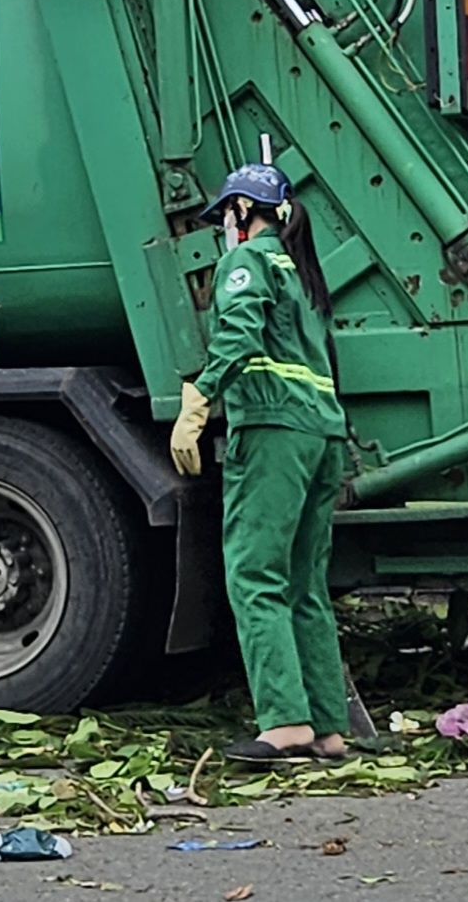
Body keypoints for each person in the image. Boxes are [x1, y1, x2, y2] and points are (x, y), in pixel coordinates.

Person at [170, 163, 350, 764]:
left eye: (226, 212)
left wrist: (199, 398)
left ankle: (285, 724)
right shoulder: (303, 277)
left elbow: (240, 334)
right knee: (305, 587)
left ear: (244, 211)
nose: (223, 225)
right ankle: (328, 728)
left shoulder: (244, 264)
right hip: (323, 436)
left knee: (255, 577)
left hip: (273, 434)